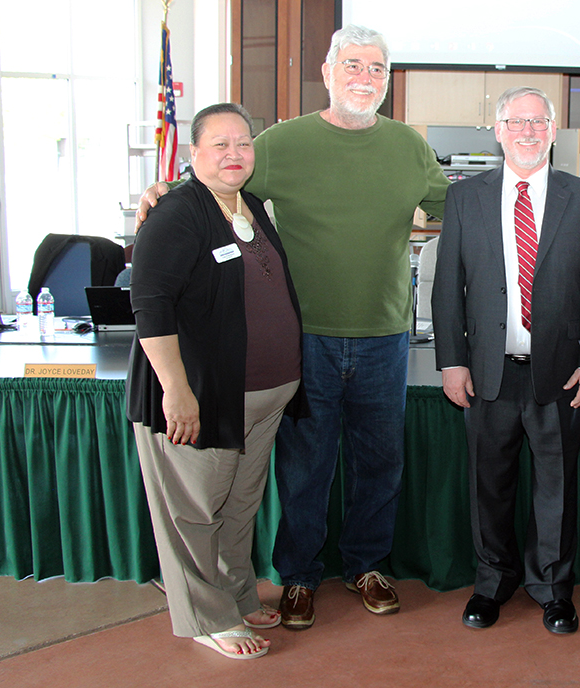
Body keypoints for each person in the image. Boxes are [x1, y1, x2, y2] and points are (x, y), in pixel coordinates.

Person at [137, 25, 450, 628]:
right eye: (353, 65)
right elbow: (219, 180)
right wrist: (167, 189)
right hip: (304, 339)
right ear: (328, 72)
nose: (365, 77)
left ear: (388, 79)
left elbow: (451, 203)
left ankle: (368, 564)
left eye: (377, 68)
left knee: (378, 461)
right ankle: (299, 575)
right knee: (304, 466)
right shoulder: (281, 142)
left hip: (385, 334)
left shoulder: (408, 147)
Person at [431, 86, 580, 635]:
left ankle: (553, 590)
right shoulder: (465, 199)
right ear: (498, 129)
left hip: (560, 375)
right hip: (487, 372)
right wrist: (451, 361)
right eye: (517, 122)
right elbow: (447, 289)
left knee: (556, 489)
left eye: (538, 122)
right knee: (489, 488)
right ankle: (491, 584)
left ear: (553, 130)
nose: (528, 132)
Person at [126, 102, 307, 659]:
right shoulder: (176, 213)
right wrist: (177, 392)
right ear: (193, 153)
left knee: (239, 505)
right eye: (220, 144)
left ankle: (234, 594)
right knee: (195, 511)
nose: (235, 154)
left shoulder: (250, 205)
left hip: (261, 397)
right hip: (201, 396)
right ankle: (206, 618)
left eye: (244, 143)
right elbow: (150, 305)